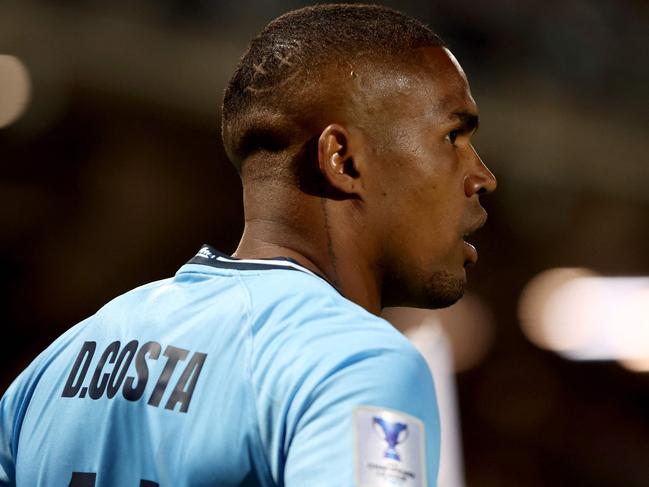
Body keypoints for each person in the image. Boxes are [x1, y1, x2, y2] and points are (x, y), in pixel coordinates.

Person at [0, 4, 496, 486]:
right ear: (342, 160)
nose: (483, 176)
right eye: (454, 135)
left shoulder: (60, 360)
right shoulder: (357, 363)